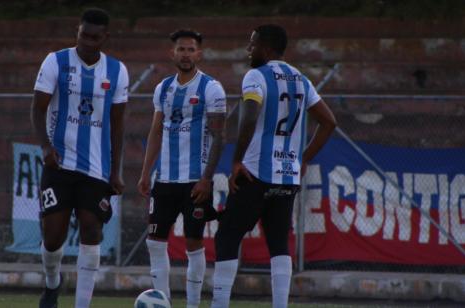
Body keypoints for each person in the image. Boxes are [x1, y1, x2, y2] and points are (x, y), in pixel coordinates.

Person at [210, 24, 337, 308]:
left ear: (266, 48)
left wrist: (237, 159)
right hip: (287, 177)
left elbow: (250, 115)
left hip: (255, 172)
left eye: (252, 44)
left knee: (228, 236)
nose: (248, 49)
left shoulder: (256, 75)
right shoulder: (301, 79)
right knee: (279, 243)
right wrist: (303, 158)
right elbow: (329, 122)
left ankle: (219, 304)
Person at [31, 8, 128, 308]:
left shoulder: (117, 71)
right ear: (78, 31)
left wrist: (116, 171)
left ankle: (82, 304)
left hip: (96, 168)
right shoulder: (55, 61)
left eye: (95, 37)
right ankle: (52, 284)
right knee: (53, 237)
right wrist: (46, 147)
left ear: (105, 37)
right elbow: (37, 109)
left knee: (91, 227)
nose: (87, 41)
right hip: (58, 163)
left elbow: (118, 124)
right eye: (83, 35)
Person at [137, 29, 227, 308]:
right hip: (164, 179)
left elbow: (219, 137)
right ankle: (162, 302)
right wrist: (144, 172)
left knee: (193, 243)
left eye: (191, 50)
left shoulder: (211, 88)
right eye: (181, 49)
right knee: (154, 242)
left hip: (194, 180)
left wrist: (206, 179)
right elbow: (155, 131)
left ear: (199, 54)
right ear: (172, 53)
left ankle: (192, 304)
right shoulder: (163, 88)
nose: (186, 54)